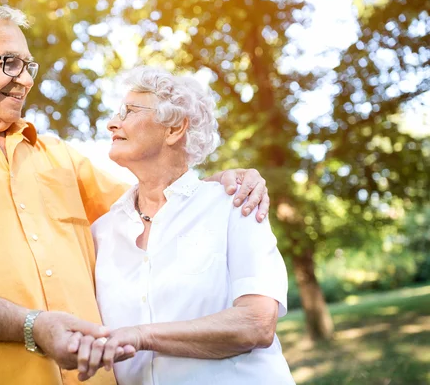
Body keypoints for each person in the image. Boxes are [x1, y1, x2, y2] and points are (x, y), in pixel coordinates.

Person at [0, 1, 270, 385]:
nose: (26, 80)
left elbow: (157, 203)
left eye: (30, 66)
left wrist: (221, 183)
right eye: (9, 63)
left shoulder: (62, 157)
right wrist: (32, 326)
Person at [70, 67, 294, 384]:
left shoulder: (235, 204)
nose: (112, 123)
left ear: (174, 128)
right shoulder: (101, 232)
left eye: (129, 111)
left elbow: (256, 324)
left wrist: (140, 336)